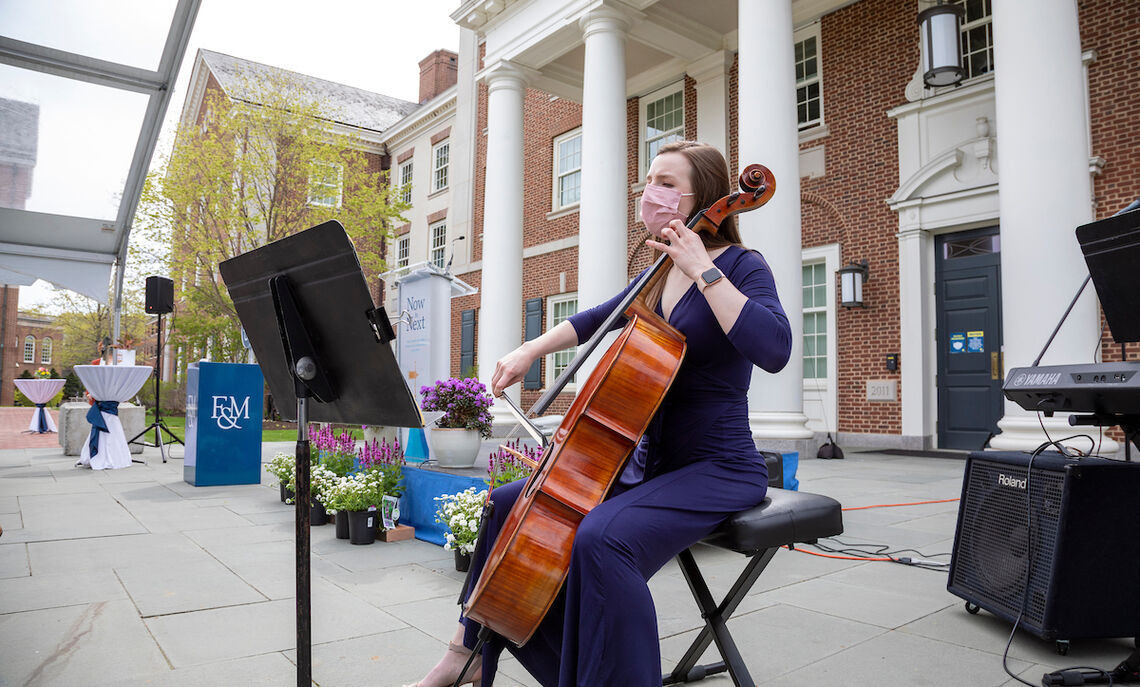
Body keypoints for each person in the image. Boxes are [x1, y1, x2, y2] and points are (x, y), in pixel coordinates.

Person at [403, 140, 791, 687]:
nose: (649, 192)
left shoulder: (742, 267)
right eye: (649, 179)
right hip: (651, 467)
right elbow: (599, 317)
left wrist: (703, 268)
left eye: (666, 182)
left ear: (701, 196)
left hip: (718, 468)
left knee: (601, 539)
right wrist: (529, 351)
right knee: (510, 505)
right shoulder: (656, 275)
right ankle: (465, 652)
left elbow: (774, 348)